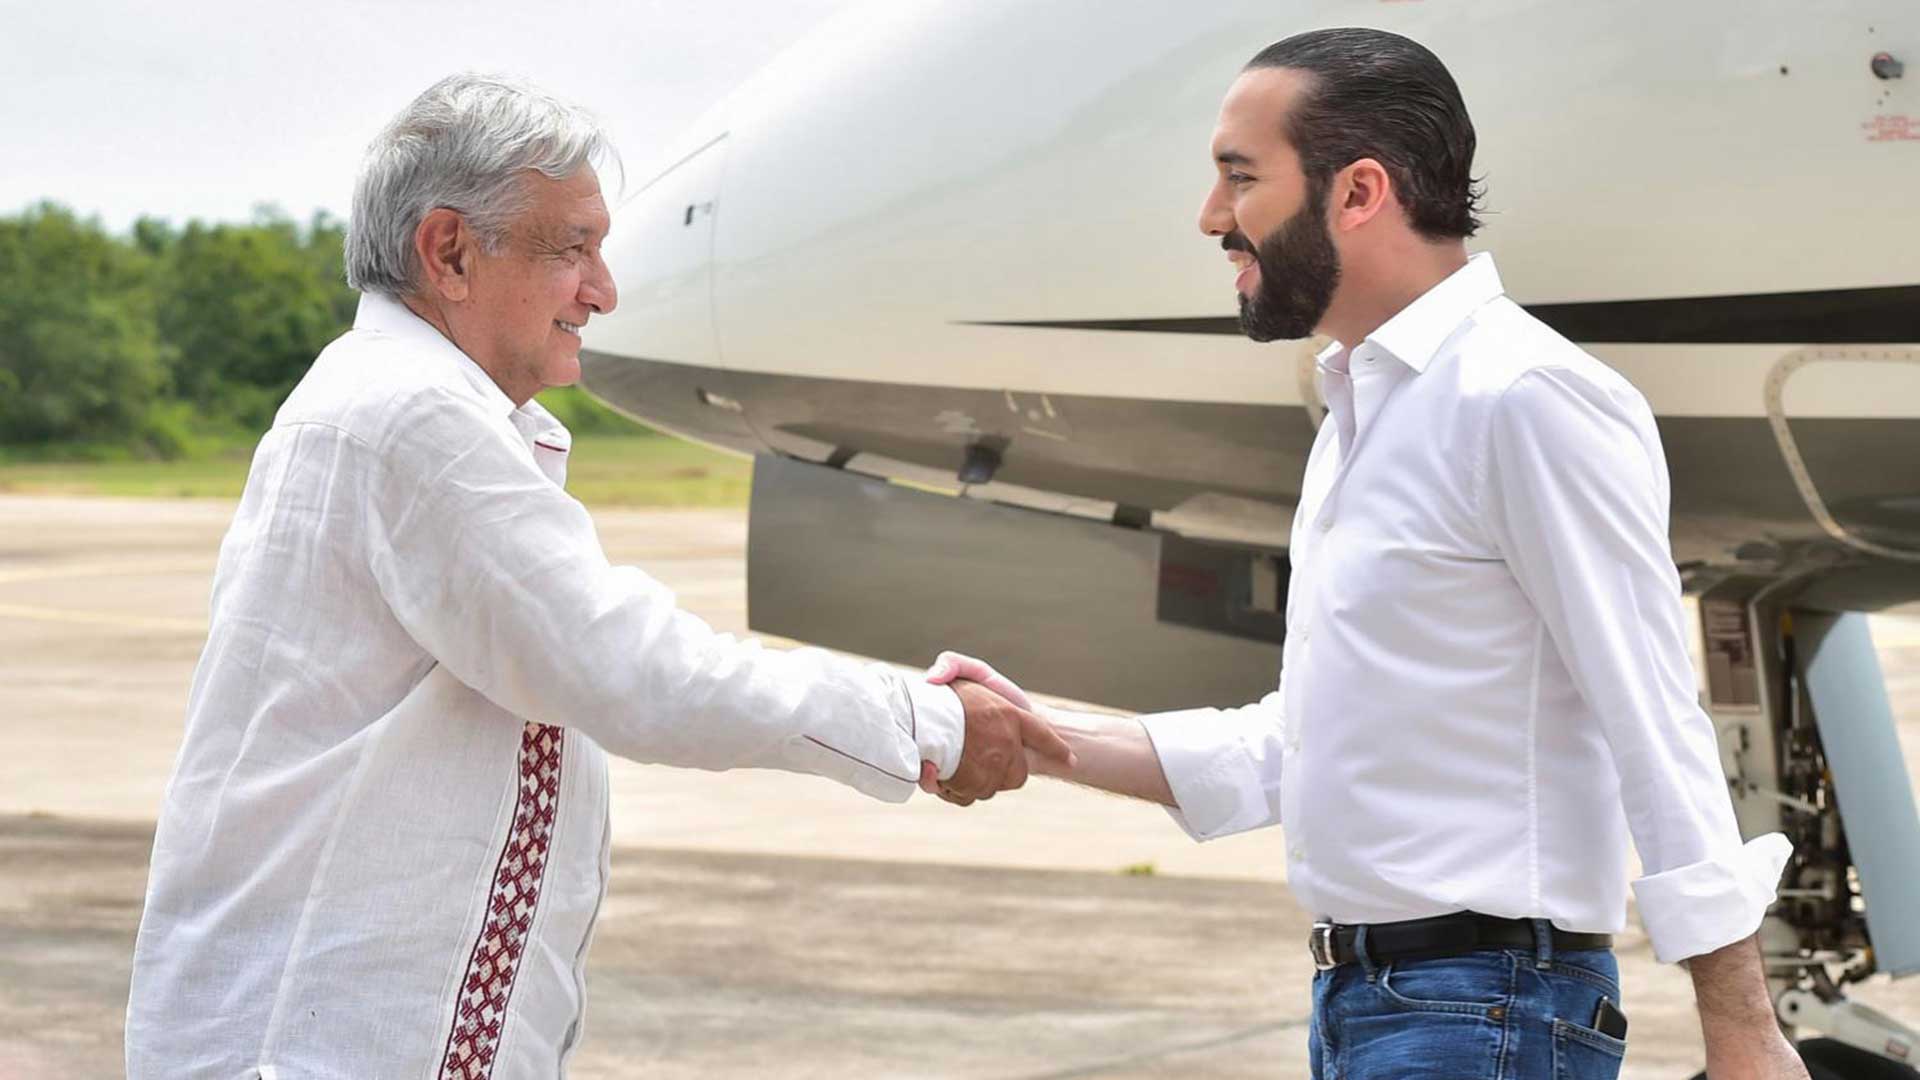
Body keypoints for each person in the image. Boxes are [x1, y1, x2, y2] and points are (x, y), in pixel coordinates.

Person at [124, 72, 1067, 1078]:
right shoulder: (410, 415)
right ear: (448, 252)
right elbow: (630, 669)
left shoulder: (418, 405)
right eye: (570, 249)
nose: (604, 289)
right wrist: (924, 725)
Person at [927, 28, 1805, 1080]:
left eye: (1239, 179)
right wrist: (1044, 738)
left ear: (1358, 193)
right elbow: (1304, 742)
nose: (1213, 218)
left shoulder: (1526, 399)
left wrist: (1745, 1035)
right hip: (1380, 1006)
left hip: (1488, 1008)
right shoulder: (1364, 410)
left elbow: (1651, 713)